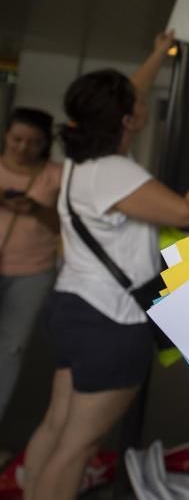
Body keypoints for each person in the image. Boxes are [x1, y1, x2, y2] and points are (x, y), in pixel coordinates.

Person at [23, 30, 189, 500]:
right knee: (78, 446)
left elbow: (125, 97)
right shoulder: (116, 173)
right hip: (111, 323)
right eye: (133, 104)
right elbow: (188, 212)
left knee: (57, 427)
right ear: (128, 120)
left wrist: (160, 51)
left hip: (73, 309)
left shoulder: (81, 162)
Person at [0, 109, 62, 426]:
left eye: (33, 142)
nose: (23, 148)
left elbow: (63, 226)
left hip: (33, 271)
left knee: (10, 349)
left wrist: (36, 209)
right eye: (17, 140)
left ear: (45, 144)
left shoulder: (56, 175)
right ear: (6, 136)